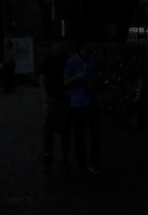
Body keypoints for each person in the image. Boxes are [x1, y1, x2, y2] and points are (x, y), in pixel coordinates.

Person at [64, 41, 101, 173]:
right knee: (79, 134)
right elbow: (65, 81)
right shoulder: (72, 61)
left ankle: (93, 161)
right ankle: (82, 162)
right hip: (77, 102)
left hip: (90, 100)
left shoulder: (93, 60)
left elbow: (96, 77)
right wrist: (76, 77)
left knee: (95, 133)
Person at [39, 38, 72, 169]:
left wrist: (69, 91)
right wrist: (44, 95)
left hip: (64, 99)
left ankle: (64, 155)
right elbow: (42, 79)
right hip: (51, 99)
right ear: (52, 46)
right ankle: (48, 154)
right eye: (56, 44)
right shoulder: (47, 61)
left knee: (65, 129)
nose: (58, 47)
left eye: (60, 44)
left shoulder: (67, 60)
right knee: (48, 129)